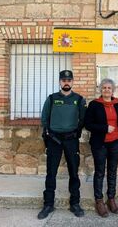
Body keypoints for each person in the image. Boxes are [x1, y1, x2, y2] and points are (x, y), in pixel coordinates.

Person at [38, 70, 86, 219]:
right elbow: (44, 118)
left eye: (69, 80)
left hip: (71, 140)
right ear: (60, 82)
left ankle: (75, 204)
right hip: (54, 140)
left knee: (73, 172)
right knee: (51, 173)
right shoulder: (52, 99)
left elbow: (83, 119)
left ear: (72, 82)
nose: (66, 82)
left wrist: (76, 133)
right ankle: (48, 205)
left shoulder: (79, 99)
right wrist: (49, 134)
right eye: (64, 80)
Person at [84, 78, 118, 217]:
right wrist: (105, 128)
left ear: (113, 90)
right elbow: (88, 124)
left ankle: (111, 199)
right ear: (100, 90)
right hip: (100, 143)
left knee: (112, 171)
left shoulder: (117, 103)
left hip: (115, 142)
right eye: (104, 88)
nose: (107, 90)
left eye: (109, 88)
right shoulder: (94, 105)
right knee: (100, 172)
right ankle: (99, 201)